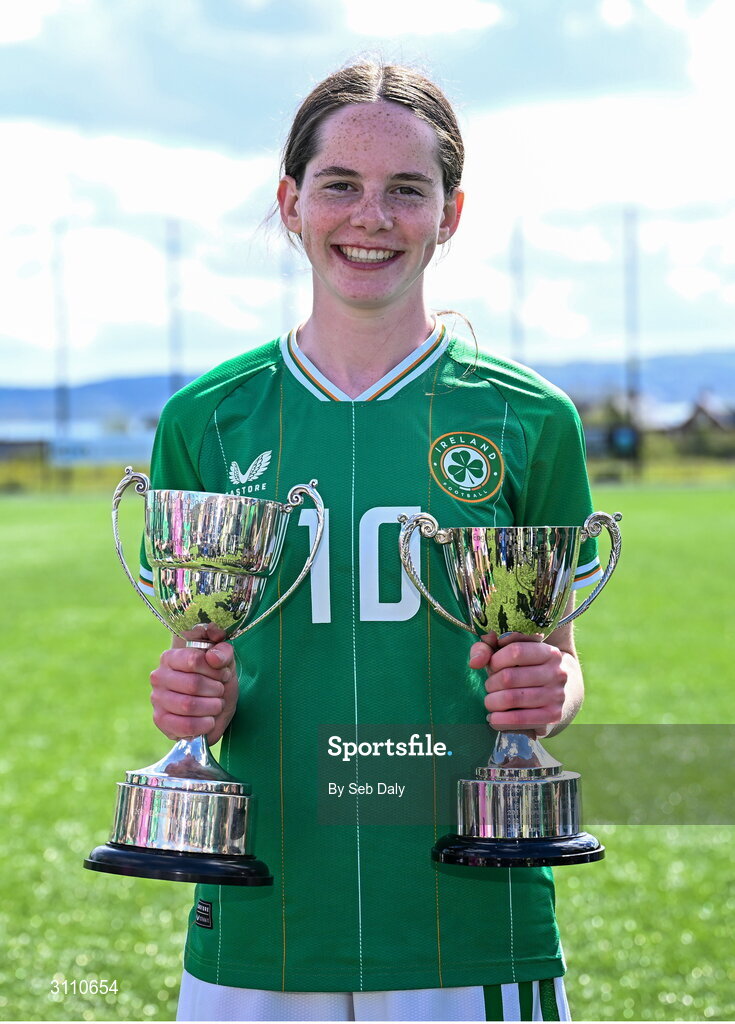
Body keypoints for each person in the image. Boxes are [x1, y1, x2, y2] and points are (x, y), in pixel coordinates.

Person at [140, 61, 602, 1023]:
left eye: (406, 190)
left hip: (467, 911)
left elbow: (555, 665)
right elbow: (200, 654)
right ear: (291, 201)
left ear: (451, 212)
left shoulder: (529, 419)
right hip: (265, 903)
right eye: (340, 185)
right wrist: (193, 694)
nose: (370, 217)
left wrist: (553, 692)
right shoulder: (208, 420)